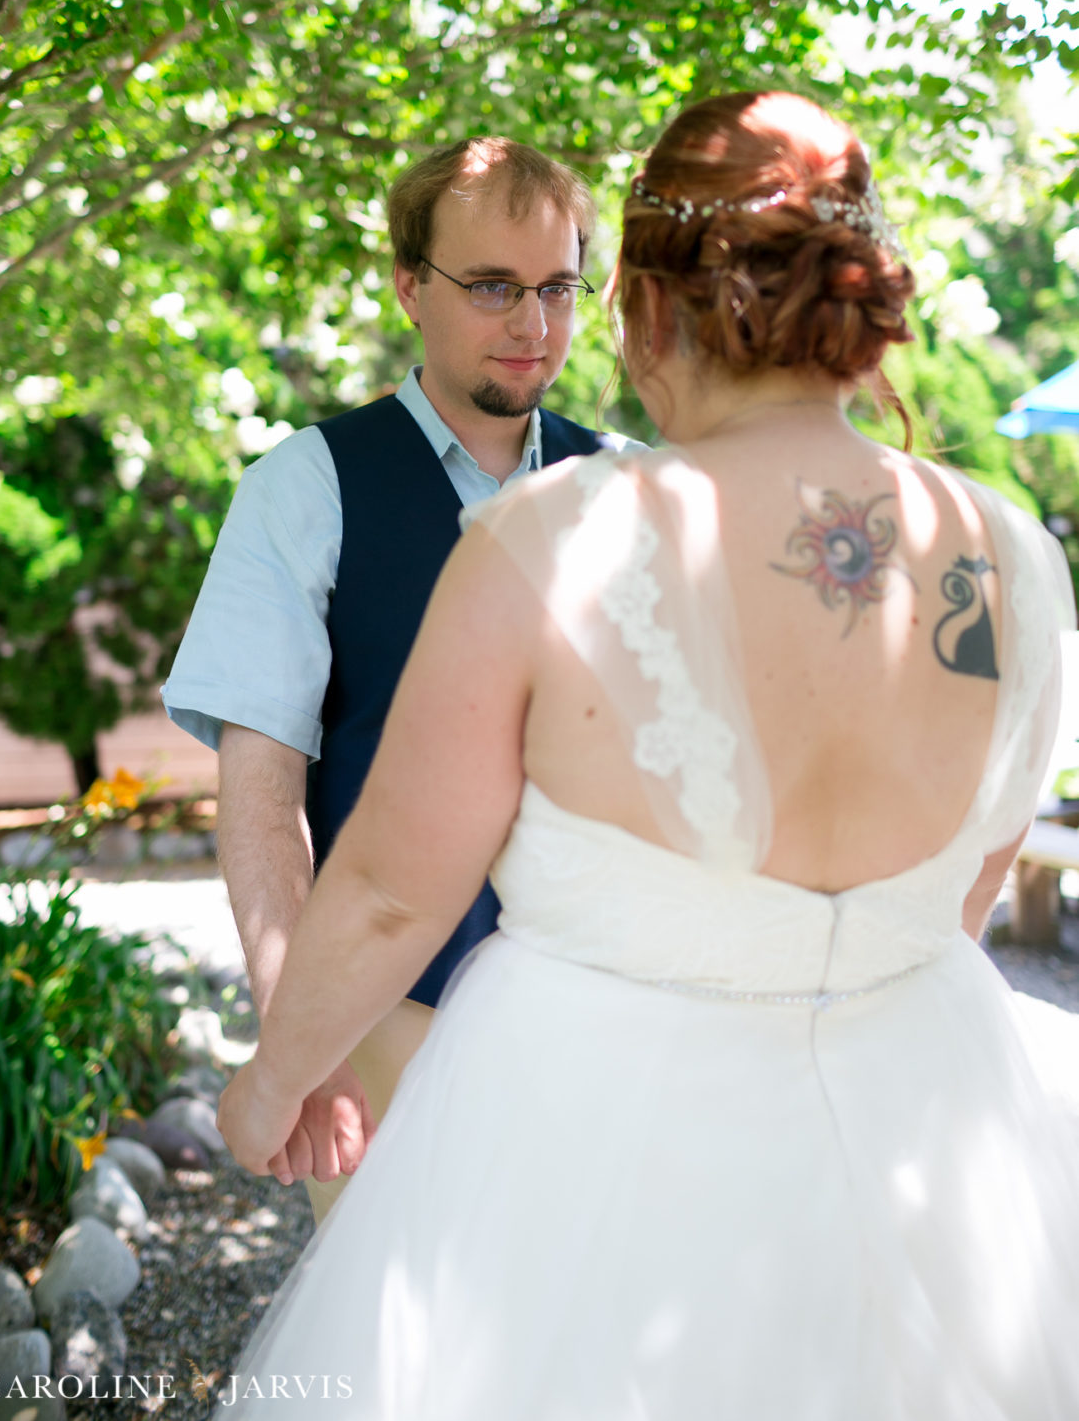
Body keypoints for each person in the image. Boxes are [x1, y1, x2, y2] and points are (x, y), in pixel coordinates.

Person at [216, 91, 1079, 1419]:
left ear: (645, 305)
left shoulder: (557, 535)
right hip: (930, 1152)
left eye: (570, 288)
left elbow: (391, 887)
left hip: (600, 1164)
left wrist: (269, 1079)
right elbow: (970, 885)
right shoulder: (1015, 552)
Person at [162, 137, 614, 1219]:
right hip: (392, 1023)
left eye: (557, 287)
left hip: (614, 1025)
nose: (532, 325)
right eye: (493, 286)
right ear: (408, 285)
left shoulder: (637, 488)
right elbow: (264, 804)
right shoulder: (303, 491)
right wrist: (298, 1035)